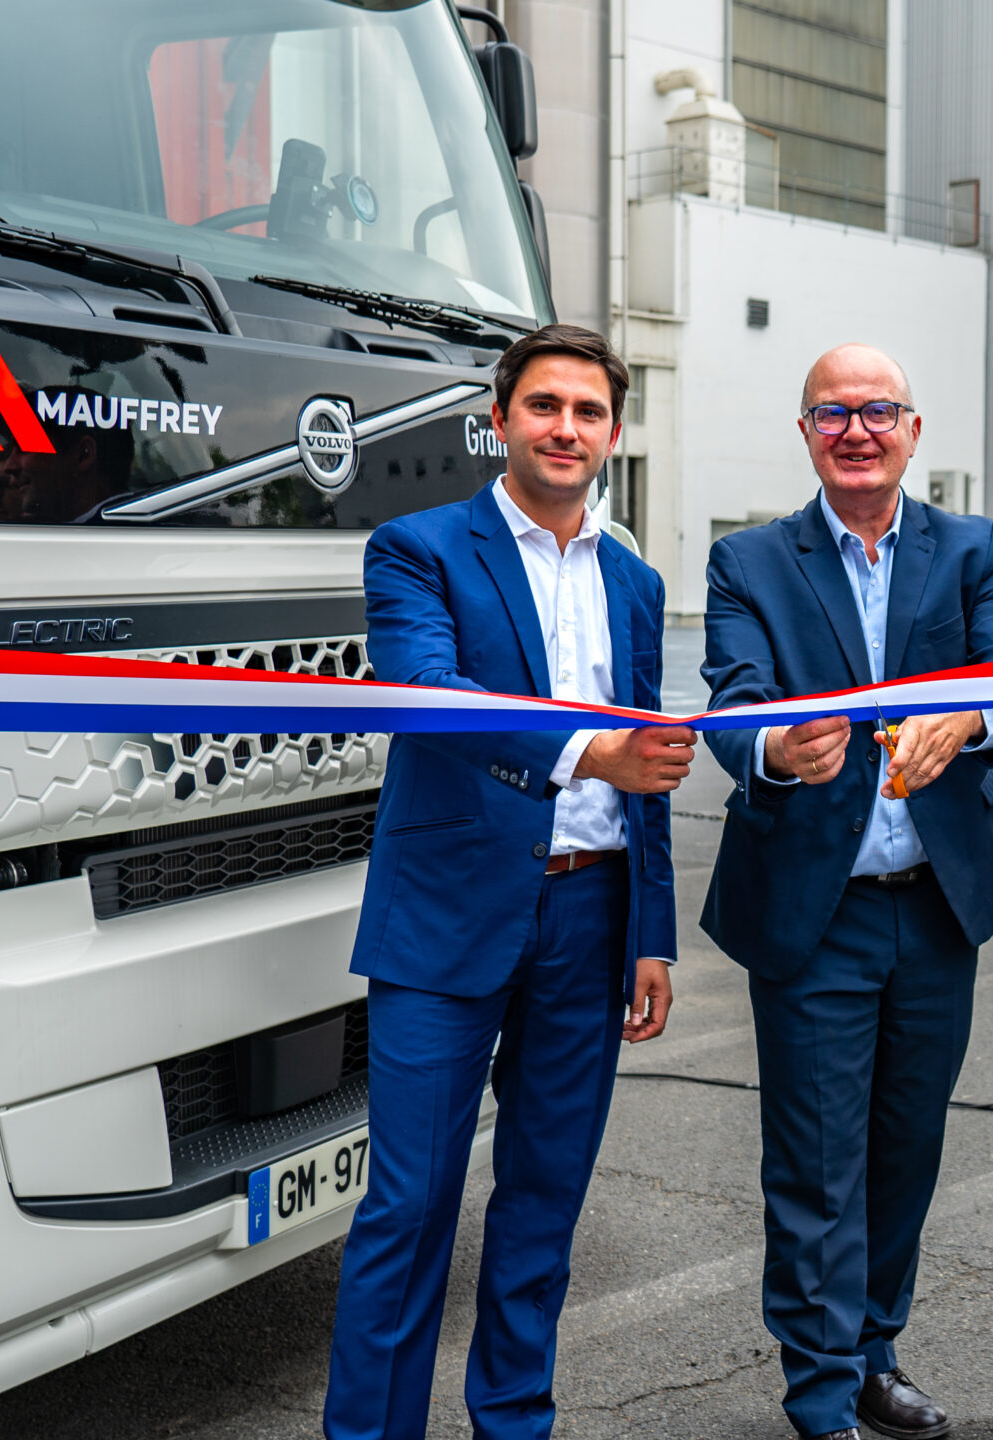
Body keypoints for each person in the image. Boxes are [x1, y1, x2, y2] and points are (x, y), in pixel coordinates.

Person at [325, 322, 692, 1440]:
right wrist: (589, 753)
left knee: (544, 1199)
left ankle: (514, 1422)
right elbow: (429, 695)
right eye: (544, 405)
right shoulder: (418, 549)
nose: (565, 428)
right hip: (447, 914)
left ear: (613, 434)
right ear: (500, 420)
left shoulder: (635, 582)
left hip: (593, 912)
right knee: (410, 1205)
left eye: (588, 412)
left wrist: (652, 933)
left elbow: (650, 767)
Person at [700, 343, 993, 1440]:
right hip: (817, 909)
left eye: (878, 411)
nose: (857, 430)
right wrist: (776, 746)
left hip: (938, 907)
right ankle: (818, 1391)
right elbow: (734, 702)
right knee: (815, 1161)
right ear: (806, 432)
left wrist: (972, 716)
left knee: (906, 1148)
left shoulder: (970, 549)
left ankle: (871, 1352)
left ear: (913, 430)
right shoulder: (749, 561)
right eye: (833, 412)